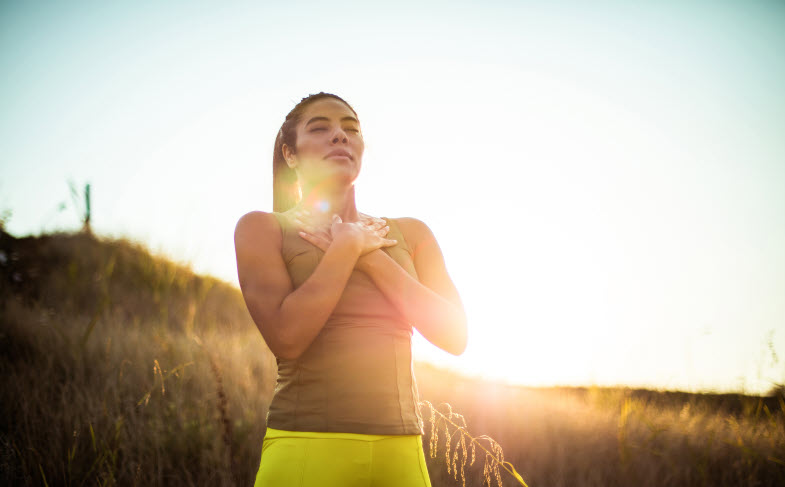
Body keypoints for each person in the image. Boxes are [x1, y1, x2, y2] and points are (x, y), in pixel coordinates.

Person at [234, 92, 468, 487]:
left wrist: (366, 253)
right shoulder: (262, 229)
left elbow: (455, 335)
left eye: (351, 129)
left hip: (402, 455)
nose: (340, 136)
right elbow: (287, 337)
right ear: (290, 154)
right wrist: (344, 249)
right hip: (306, 450)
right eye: (321, 128)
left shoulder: (411, 232)